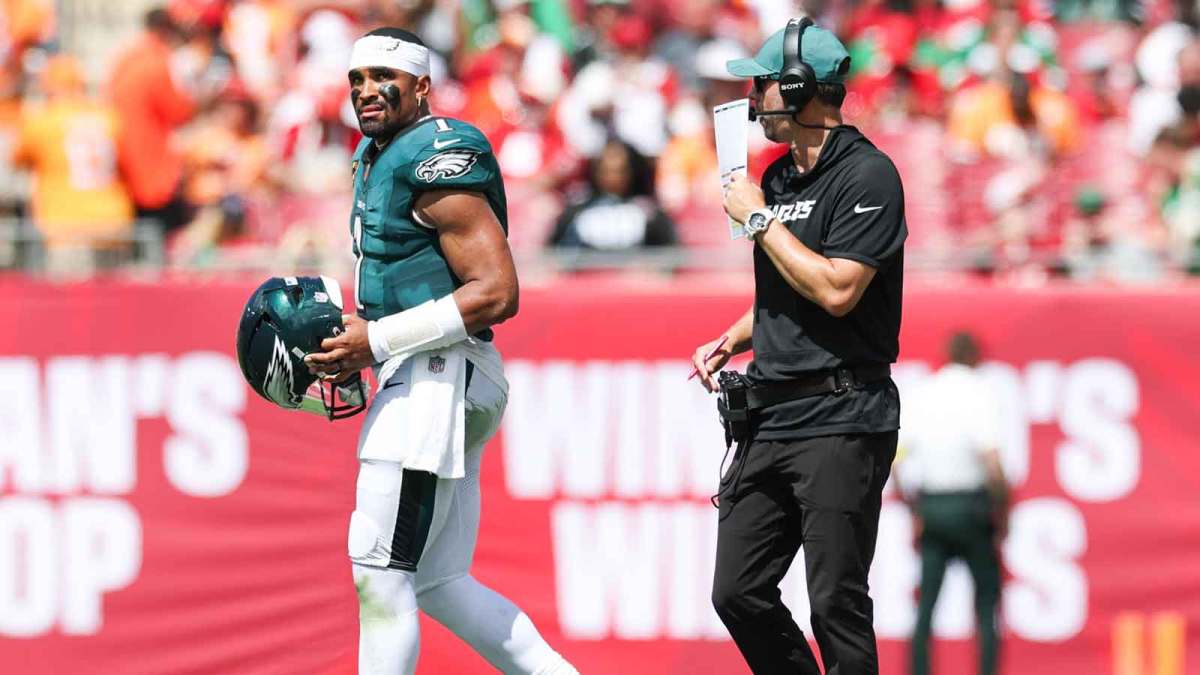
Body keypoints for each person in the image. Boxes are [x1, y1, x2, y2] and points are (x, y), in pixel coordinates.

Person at [301, 27, 577, 675]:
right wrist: (368, 335)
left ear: (422, 85)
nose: (367, 90)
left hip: (436, 375)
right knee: (437, 580)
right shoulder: (384, 152)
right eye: (356, 80)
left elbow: (496, 291)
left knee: (379, 570)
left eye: (382, 77)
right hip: (441, 372)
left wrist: (378, 339)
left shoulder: (435, 149)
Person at [691, 17, 907, 675]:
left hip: (842, 413)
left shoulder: (869, 176)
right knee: (738, 591)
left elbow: (839, 289)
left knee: (835, 601)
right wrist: (733, 336)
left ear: (800, 86)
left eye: (763, 83)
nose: (753, 98)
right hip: (773, 414)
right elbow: (789, 286)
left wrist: (758, 219)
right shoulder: (779, 178)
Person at [897, 332, 1008, 675]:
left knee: (926, 604)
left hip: (932, 506)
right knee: (987, 604)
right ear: (976, 357)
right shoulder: (980, 390)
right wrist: (1003, 509)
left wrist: (913, 508)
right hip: (971, 507)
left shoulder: (926, 391)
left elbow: (897, 460)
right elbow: (991, 458)